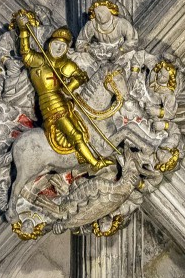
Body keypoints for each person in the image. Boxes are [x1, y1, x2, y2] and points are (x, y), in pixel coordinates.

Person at [17, 22, 113, 171]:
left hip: (65, 101)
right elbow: (26, 52)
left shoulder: (66, 64)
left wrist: (71, 86)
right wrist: (23, 30)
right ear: (50, 44)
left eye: (63, 46)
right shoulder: (39, 60)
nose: (59, 48)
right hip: (50, 104)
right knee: (76, 135)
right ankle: (95, 164)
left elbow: (82, 75)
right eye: (56, 44)